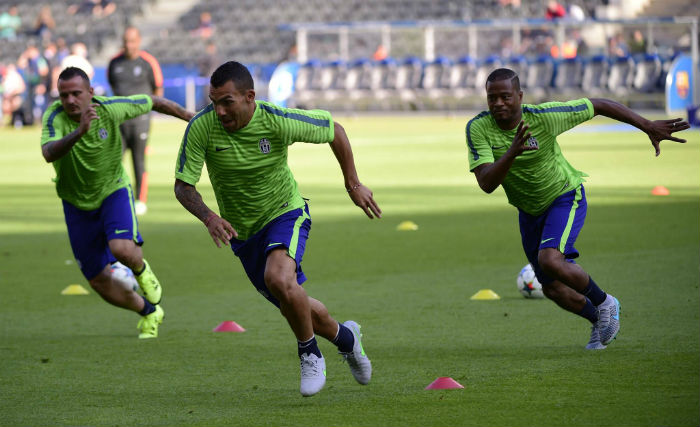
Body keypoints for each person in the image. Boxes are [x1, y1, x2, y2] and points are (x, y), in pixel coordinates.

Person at [174, 61, 381, 396]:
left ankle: (309, 354)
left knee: (280, 280)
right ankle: (346, 338)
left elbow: (335, 130)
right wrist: (210, 217)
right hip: (242, 234)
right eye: (214, 102)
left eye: (227, 101)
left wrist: (353, 184)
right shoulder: (201, 127)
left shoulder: (275, 119)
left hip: (286, 211)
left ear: (249, 96)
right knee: (292, 300)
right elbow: (183, 186)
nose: (220, 111)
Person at [465, 68, 689, 350]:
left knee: (550, 260)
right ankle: (599, 320)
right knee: (552, 288)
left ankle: (606, 301)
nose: (498, 103)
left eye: (505, 96)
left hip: (564, 196)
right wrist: (512, 152)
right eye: (492, 97)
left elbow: (598, 105)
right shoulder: (478, 128)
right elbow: (486, 183)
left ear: (520, 96)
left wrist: (646, 125)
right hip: (529, 211)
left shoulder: (545, 118)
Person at [40, 67, 194, 339]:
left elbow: (153, 101)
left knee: (122, 249)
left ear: (90, 93)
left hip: (113, 190)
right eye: (64, 95)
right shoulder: (54, 116)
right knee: (98, 281)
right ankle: (149, 311)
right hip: (76, 203)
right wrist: (80, 131)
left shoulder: (111, 108)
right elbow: (48, 153)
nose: (70, 100)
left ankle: (141, 270)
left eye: (77, 93)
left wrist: (190, 118)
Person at [108, 26, 164, 215]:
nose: (128, 45)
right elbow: (113, 87)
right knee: (114, 161)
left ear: (138, 41)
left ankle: (140, 200)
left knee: (138, 161)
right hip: (118, 121)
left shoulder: (148, 62)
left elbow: (158, 90)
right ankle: (115, 197)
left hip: (140, 121)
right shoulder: (114, 63)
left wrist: (148, 112)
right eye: (125, 41)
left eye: (132, 41)